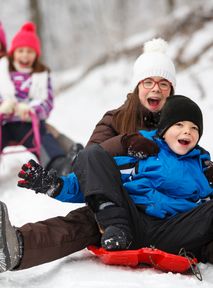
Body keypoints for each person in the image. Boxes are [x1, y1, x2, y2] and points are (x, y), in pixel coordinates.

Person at [0, 38, 200, 272]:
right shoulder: (115, 120)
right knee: (84, 221)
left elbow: (192, 170)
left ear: (171, 91)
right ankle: (14, 247)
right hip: (118, 208)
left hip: (171, 219)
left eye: (164, 84)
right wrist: (123, 143)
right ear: (137, 86)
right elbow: (89, 165)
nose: (156, 88)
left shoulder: (182, 126)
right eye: (148, 82)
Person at [0, 21, 77, 175]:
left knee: (42, 136)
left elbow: (46, 103)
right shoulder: (3, 73)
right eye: (20, 51)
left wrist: (31, 109)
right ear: (14, 52)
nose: (24, 55)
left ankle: (59, 164)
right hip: (3, 123)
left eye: (29, 51)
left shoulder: (39, 76)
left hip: (27, 123)